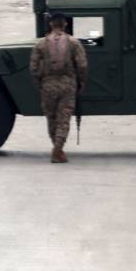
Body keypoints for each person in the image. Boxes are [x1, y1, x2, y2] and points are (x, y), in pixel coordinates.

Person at [30, 12, 87, 164]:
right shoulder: (73, 43)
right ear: (65, 24)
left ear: (51, 24)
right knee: (64, 118)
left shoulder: (41, 44)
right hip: (68, 85)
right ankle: (58, 149)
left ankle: (57, 148)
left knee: (52, 118)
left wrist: (39, 85)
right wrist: (82, 82)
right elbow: (82, 65)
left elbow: (33, 68)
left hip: (48, 85)